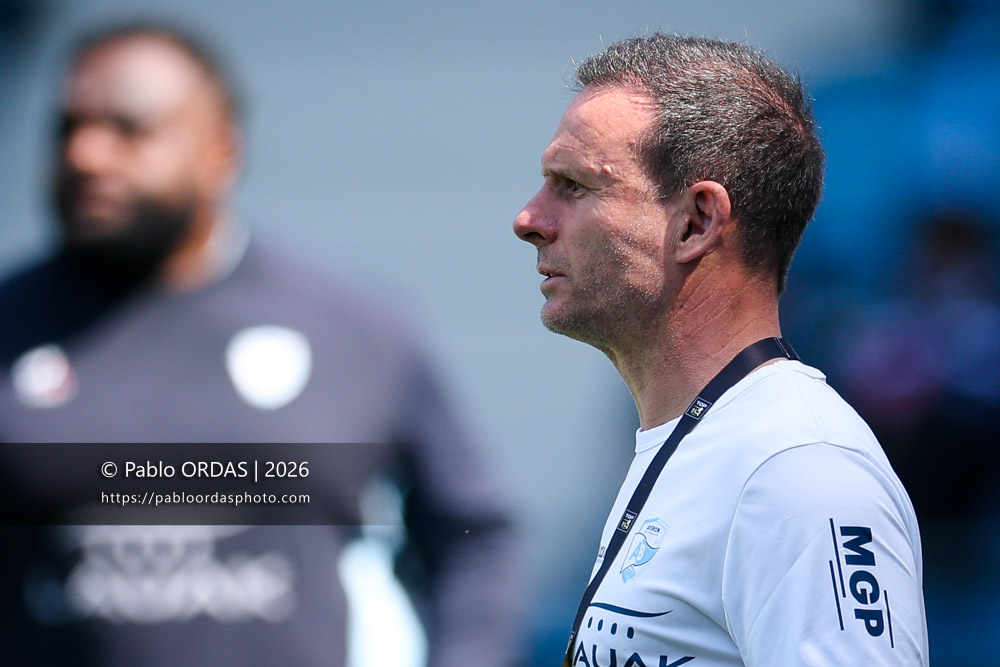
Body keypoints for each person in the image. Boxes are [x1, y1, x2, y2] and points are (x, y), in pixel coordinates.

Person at [0, 23, 520, 667]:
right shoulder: (12, 330)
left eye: (128, 130)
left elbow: (472, 537)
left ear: (221, 150)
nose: (87, 156)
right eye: (68, 129)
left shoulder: (349, 328)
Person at [513, 34, 928, 666]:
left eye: (574, 186)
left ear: (696, 222)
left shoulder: (799, 469)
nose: (529, 219)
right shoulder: (704, 441)